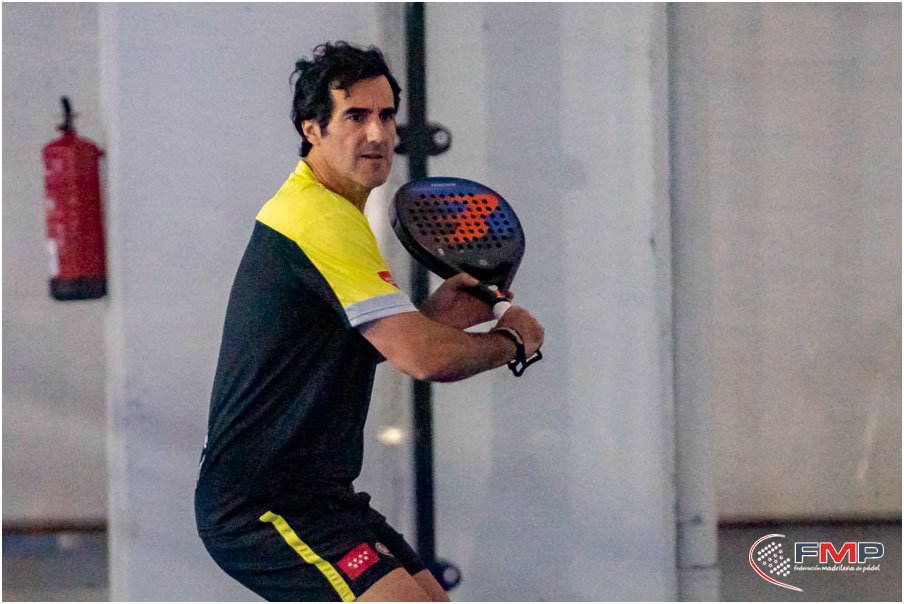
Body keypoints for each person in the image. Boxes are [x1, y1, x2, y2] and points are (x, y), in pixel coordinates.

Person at [195, 41, 544, 602]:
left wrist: (432, 316)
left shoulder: (330, 211)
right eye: (355, 116)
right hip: (261, 504)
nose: (378, 133)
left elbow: (348, 348)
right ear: (312, 129)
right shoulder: (319, 220)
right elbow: (422, 358)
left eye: (385, 115)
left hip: (320, 494)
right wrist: (511, 342)